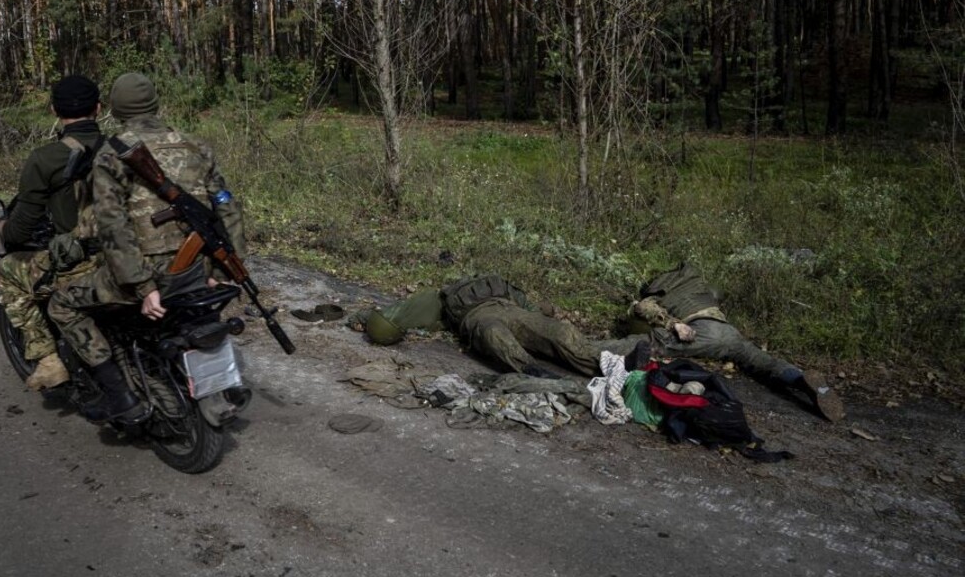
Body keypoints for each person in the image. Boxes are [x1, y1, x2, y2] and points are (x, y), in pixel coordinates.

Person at [47, 72, 246, 423]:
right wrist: (223, 270)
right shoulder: (196, 145)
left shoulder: (113, 153)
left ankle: (120, 396)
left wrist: (143, 286)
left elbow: (113, 225)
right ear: (156, 103)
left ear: (113, 109)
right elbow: (227, 206)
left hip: (152, 276)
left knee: (62, 303)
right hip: (197, 270)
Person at [0, 74, 106, 392]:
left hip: (84, 262)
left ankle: (48, 361)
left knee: (8, 269)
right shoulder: (123, 149)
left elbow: (19, 230)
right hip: (126, 253)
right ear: (99, 109)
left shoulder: (46, 159)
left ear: (53, 111)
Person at [618, 262, 844, 421]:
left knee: (649, 344)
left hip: (702, 331)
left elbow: (642, 308)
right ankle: (800, 379)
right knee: (763, 362)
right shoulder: (699, 289)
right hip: (729, 332)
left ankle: (592, 350)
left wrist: (672, 324)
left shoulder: (661, 293)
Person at [353, 274, 612, 378]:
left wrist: (544, 314)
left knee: (561, 332)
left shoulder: (502, 287)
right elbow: (394, 316)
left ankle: (607, 364)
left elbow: (537, 312)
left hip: (510, 308)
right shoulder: (438, 300)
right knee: (495, 336)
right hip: (476, 316)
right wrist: (362, 318)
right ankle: (533, 372)